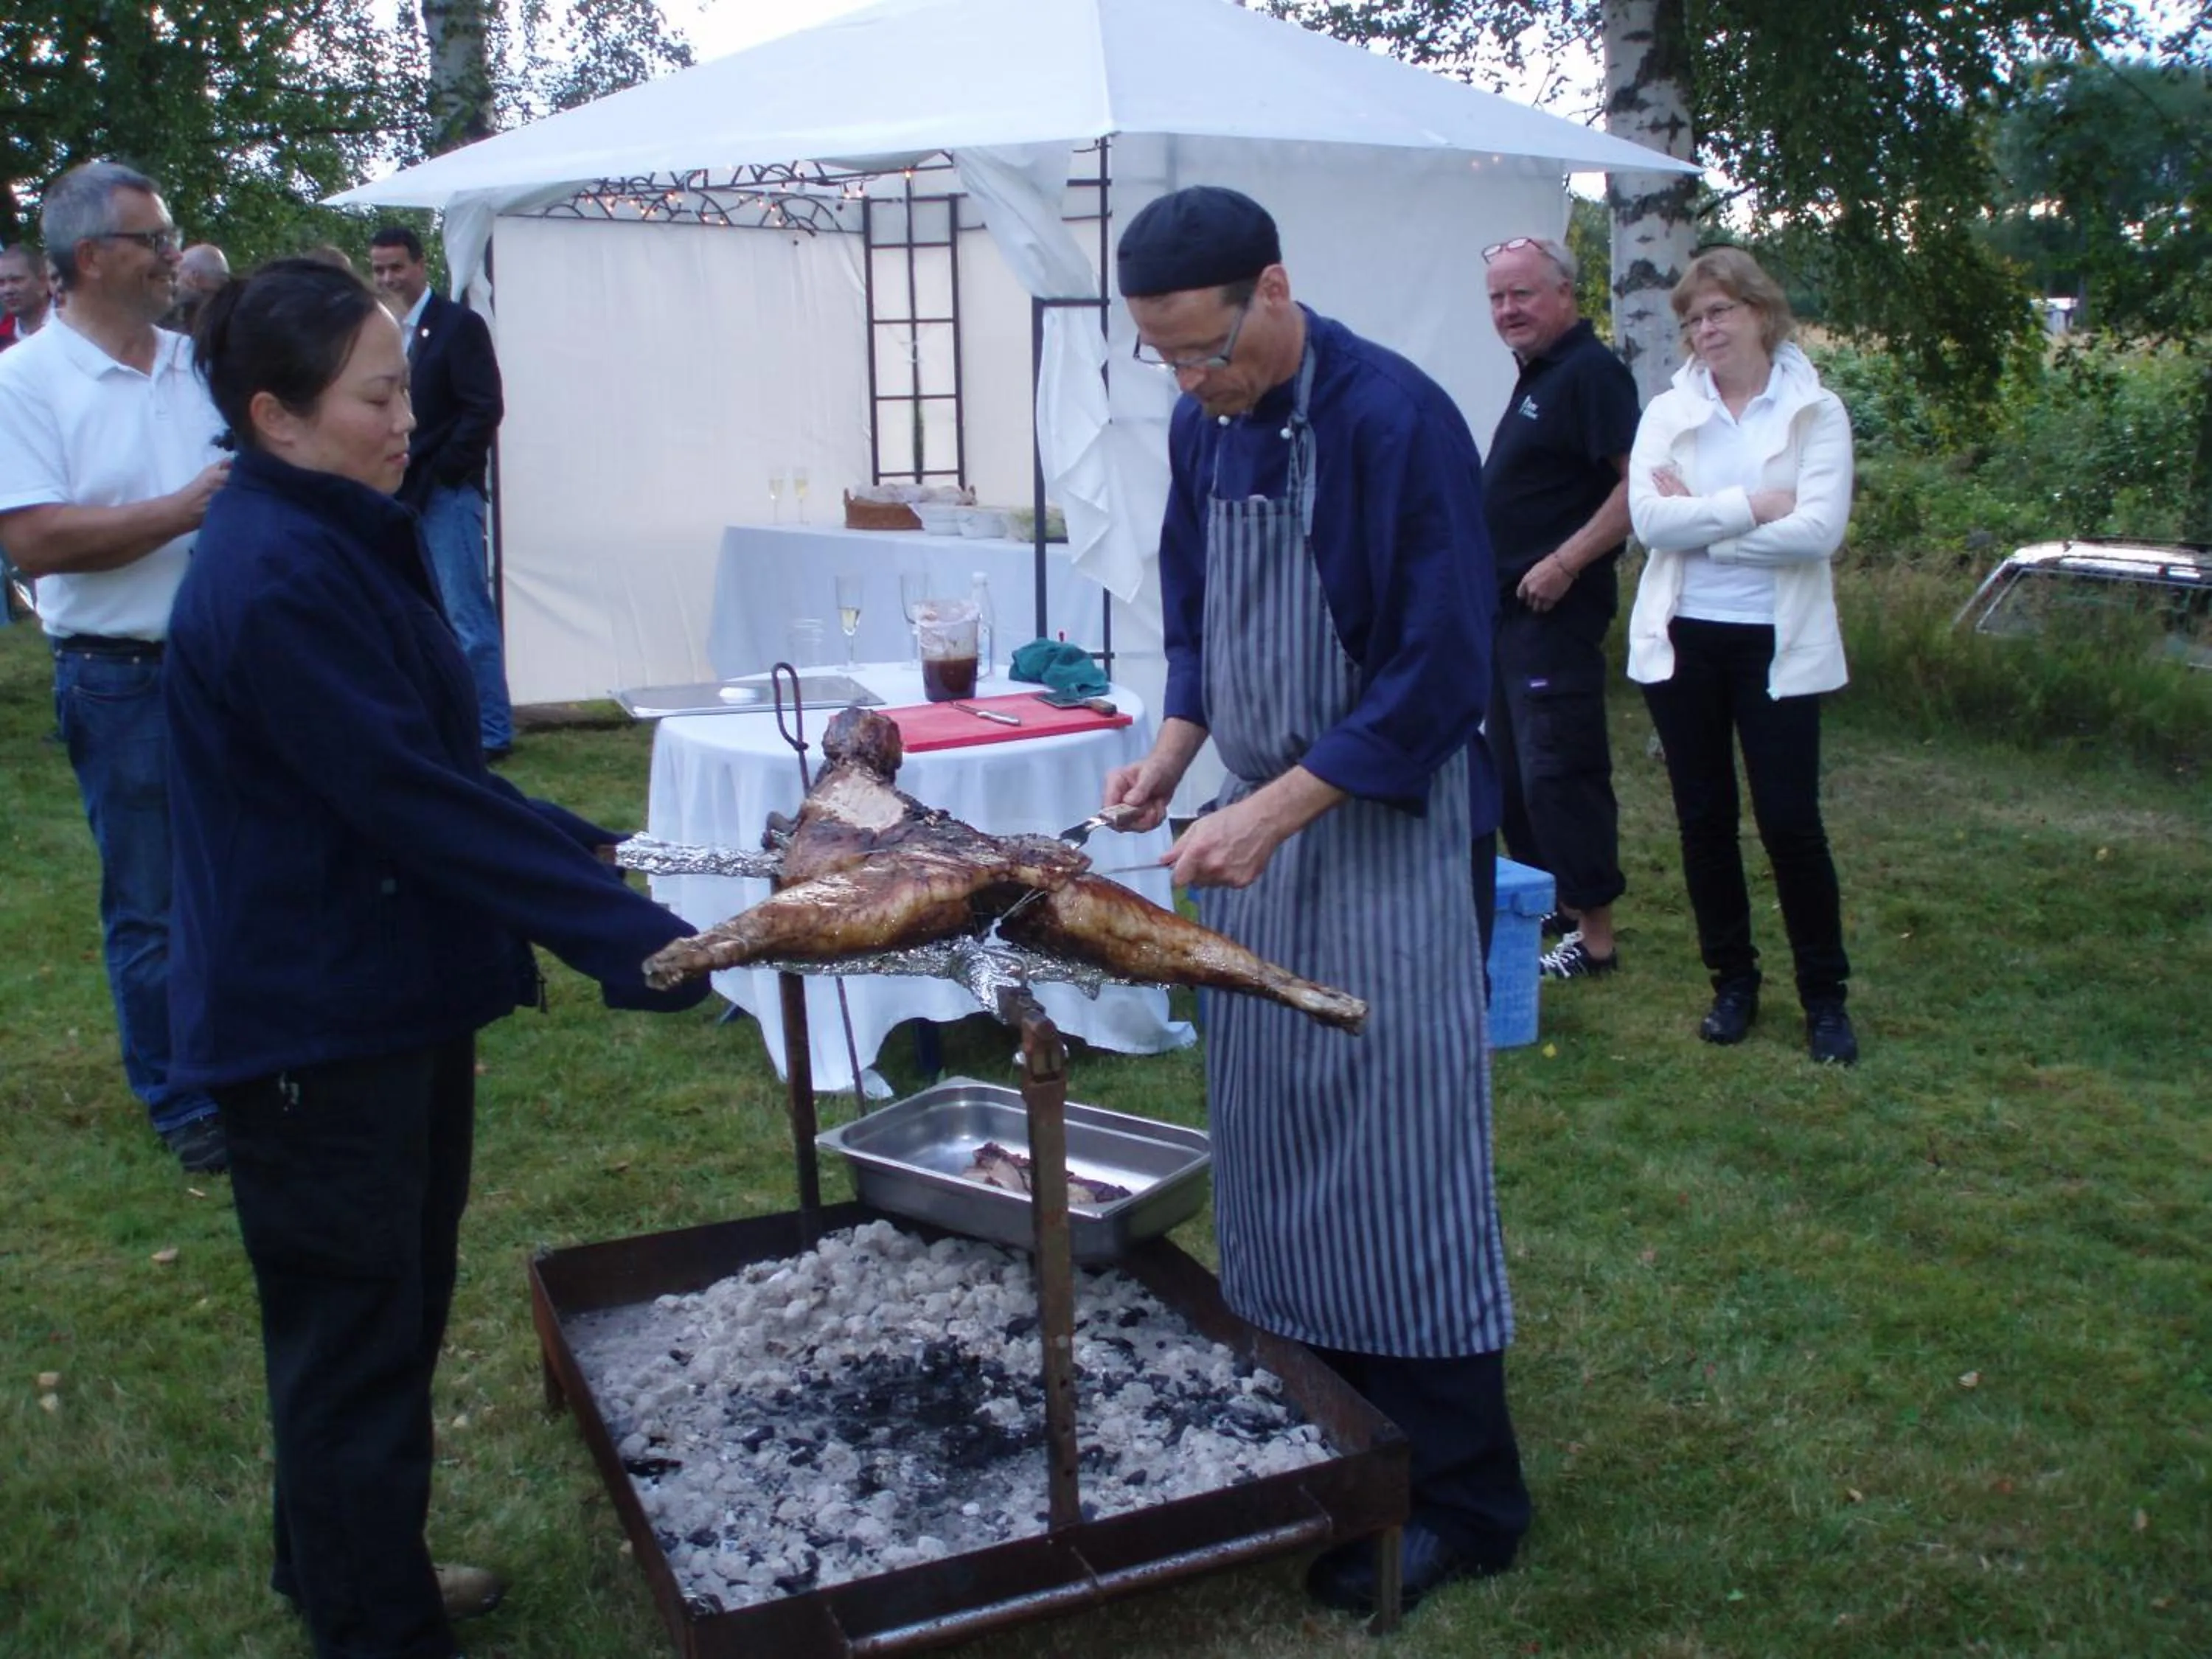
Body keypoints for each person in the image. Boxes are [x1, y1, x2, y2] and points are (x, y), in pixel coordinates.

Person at [167, 257, 710, 1659]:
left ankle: (341, 1565)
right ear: (275, 418)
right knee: (354, 1333)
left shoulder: (338, 526)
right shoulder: (278, 577)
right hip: (312, 1024)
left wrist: (579, 842)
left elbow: (432, 761)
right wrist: (636, 943)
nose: (405, 417)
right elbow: (404, 798)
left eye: (402, 387)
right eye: (375, 395)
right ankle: (375, 1626)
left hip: (380, 995)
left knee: (378, 1317)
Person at [1103, 187, 1528, 1616]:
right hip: (1253, 832)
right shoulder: (1202, 424)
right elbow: (1196, 608)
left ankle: (1466, 1491)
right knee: (1276, 1132)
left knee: (1397, 1150)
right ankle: (1332, 1430)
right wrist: (1173, 755)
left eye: (1206, 351)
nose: (1190, 382)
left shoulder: (1395, 420)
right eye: (1162, 358)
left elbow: (1443, 667)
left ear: (1274, 287)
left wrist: (1277, 805)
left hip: (1386, 828)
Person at [0, 162, 232, 1173]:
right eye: (153, 236)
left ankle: (248, 1056)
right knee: (151, 899)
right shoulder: (25, 382)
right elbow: (37, 539)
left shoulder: (196, 362)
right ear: (92, 258)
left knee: (247, 867)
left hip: (229, 663)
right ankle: (183, 1100)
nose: (172, 251)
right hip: (119, 675)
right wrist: (183, 510)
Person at [1625, 246, 1859, 1065]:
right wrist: (1757, 507)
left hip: (1778, 644)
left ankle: (1825, 998)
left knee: (1791, 823)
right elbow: (1651, 523)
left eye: (1718, 312)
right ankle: (1733, 981)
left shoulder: (1815, 411)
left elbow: (1820, 532)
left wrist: (1711, 530)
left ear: (1761, 311)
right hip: (1688, 639)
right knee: (1704, 821)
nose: (1704, 330)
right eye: (1692, 320)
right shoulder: (1669, 410)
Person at [1481, 234, 1638, 979]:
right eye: (1497, 298)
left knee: (1561, 770)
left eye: (1522, 294)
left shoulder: (1591, 374)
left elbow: (1640, 486)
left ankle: (1596, 939)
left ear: (1565, 294)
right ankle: (1555, 909)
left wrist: (1565, 562)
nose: (1508, 310)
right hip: (1509, 615)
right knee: (1515, 776)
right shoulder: (1541, 373)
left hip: (1556, 610)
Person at [367, 224, 513, 759]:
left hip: (447, 495)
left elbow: (484, 407)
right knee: (419, 615)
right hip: (400, 495)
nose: (387, 278)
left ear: (421, 264)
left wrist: (448, 472)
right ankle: (446, 724)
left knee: (467, 615)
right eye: (379, 268)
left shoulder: (457, 326)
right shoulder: (380, 332)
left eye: (396, 267)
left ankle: (492, 729)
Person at [0, 240, 54, 349]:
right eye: (1, 283)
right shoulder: (3, 341)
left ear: (42, 281)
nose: (7, 290)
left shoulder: (76, 322)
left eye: (16, 280)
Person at [167, 241, 229, 331]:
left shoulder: (192, 325)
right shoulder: (238, 315)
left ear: (193, 278)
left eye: (177, 275)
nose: (174, 283)